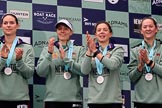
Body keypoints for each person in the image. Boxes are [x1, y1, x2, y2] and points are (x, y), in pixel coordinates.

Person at [36, 19, 85, 108]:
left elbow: (83, 71)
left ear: (71, 32)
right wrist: (49, 54)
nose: (62, 31)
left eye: (66, 29)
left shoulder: (79, 49)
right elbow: (40, 72)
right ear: (56, 31)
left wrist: (66, 59)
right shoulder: (48, 49)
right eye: (59, 29)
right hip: (52, 100)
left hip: (73, 100)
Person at [81, 21, 124, 108]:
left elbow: (112, 65)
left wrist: (96, 52)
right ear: (96, 34)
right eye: (99, 30)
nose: (102, 32)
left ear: (110, 34)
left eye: (105, 30)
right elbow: (84, 71)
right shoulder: (88, 51)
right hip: (94, 101)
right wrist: (90, 50)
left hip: (113, 101)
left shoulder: (117, 49)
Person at [0, 13, 35, 108]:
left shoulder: (27, 48)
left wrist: (19, 60)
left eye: (11, 22)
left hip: (20, 99)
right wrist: (3, 59)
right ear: (1, 26)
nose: (8, 25)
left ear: (17, 25)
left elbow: (29, 74)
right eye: (5, 23)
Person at [127, 17, 162, 108]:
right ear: (141, 31)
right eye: (145, 27)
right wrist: (141, 66)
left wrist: (149, 62)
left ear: (156, 29)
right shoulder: (135, 50)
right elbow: (132, 78)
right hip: (140, 101)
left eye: (151, 26)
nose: (148, 29)